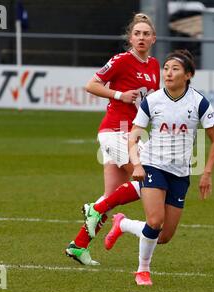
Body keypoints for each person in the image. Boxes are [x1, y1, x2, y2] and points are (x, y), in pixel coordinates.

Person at [104, 49, 214, 285]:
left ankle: (123, 223)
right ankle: (142, 270)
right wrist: (136, 164)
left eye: (175, 69)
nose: (168, 73)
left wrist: (206, 172)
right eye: (166, 68)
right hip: (152, 166)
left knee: (164, 236)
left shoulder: (199, 102)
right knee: (155, 220)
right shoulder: (152, 100)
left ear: (188, 75)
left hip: (180, 173)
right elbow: (133, 136)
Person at [65, 13, 160, 265]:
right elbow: (91, 85)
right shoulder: (121, 60)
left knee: (112, 194)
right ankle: (95, 210)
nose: (141, 37)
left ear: (153, 38)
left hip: (132, 134)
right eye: (137, 33)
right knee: (147, 180)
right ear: (130, 38)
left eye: (146, 34)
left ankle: (78, 245)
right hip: (115, 132)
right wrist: (119, 94)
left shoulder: (154, 66)